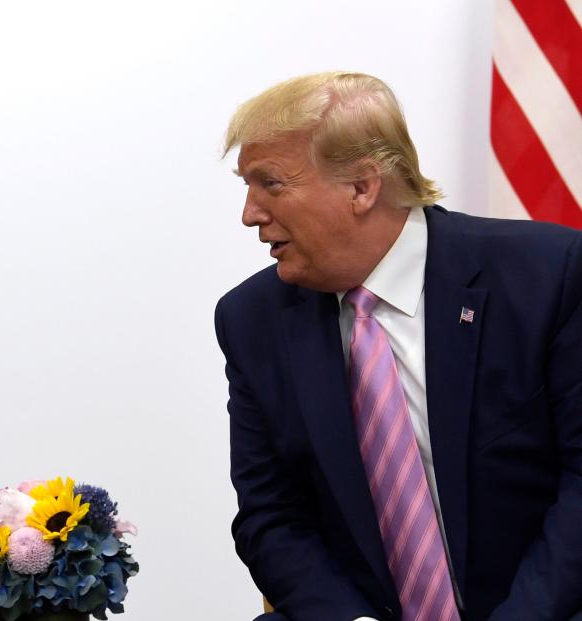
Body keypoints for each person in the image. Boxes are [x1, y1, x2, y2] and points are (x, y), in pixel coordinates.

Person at [216, 72, 582, 620]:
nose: (250, 213)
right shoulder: (253, 320)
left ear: (363, 187)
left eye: (270, 184)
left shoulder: (546, 278)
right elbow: (271, 514)